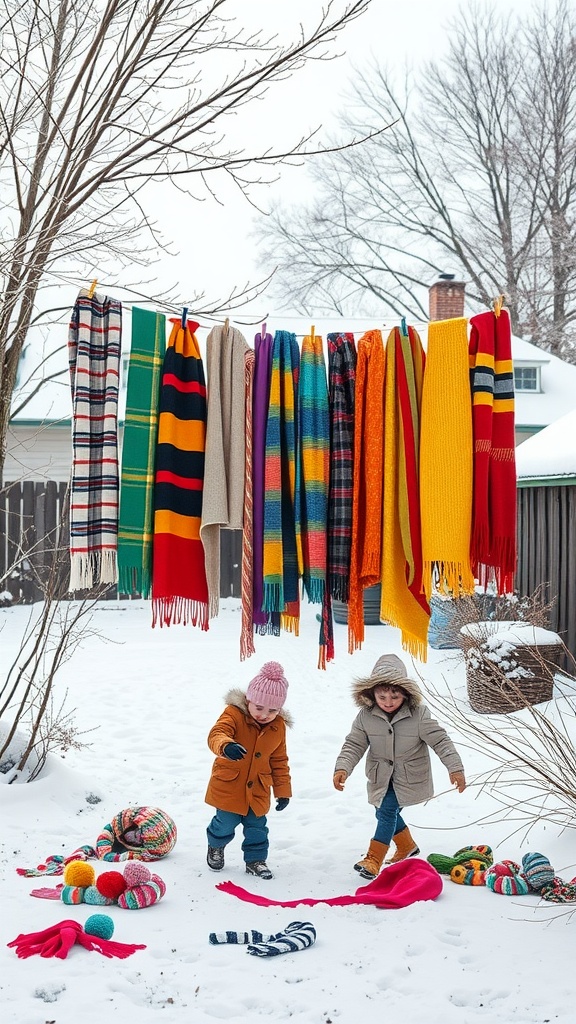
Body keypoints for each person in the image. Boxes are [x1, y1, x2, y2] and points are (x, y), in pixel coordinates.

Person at [333, 653, 466, 880]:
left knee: (385, 812)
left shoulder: (419, 716)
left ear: (405, 693)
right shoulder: (366, 717)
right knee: (384, 811)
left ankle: (373, 859)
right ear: (372, 693)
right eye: (382, 696)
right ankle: (407, 847)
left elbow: (441, 741)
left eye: (394, 696)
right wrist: (342, 767)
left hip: (408, 777)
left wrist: (455, 768)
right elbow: (354, 743)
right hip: (381, 777)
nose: (388, 701)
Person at [204, 660, 292, 880]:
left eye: (273, 710)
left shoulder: (278, 726)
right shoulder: (233, 714)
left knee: (257, 827)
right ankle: (216, 845)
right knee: (225, 823)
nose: (264, 714)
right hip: (230, 786)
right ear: (248, 700)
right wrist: (226, 746)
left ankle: (256, 860)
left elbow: (279, 760)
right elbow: (217, 733)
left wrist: (283, 791)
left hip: (259, 789)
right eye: (259, 707)